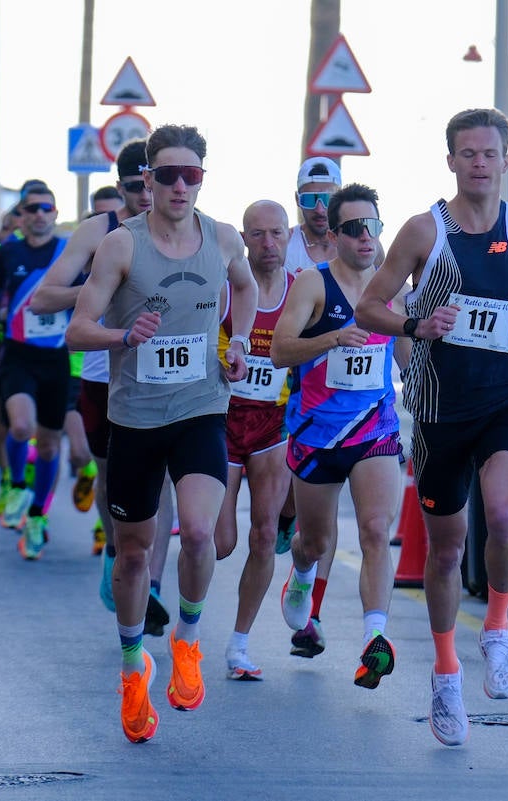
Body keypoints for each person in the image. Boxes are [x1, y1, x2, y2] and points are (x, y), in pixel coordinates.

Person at [354, 108, 508, 746]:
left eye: (489, 153)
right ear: (450, 161)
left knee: (503, 518)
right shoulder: (426, 231)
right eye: (467, 153)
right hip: (441, 410)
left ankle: (497, 631)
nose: (479, 163)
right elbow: (372, 303)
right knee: (448, 548)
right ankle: (446, 675)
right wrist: (417, 325)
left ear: (506, 160)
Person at [66, 123, 257, 743]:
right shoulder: (123, 246)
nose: (179, 185)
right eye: (166, 174)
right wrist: (124, 337)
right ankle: (131, 667)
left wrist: (239, 343)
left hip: (201, 408)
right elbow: (77, 329)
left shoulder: (224, 239)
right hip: (136, 418)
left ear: (203, 178)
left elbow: (247, 287)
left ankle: (189, 640)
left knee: (199, 531)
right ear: (147, 179)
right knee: (132, 553)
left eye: (190, 174)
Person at [28, 139, 175, 629]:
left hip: (168, 374)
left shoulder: (187, 226)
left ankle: (151, 585)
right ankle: (116, 550)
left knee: (166, 477)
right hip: (103, 378)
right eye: (136, 186)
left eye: (155, 181)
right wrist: (101, 286)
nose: (147, 194)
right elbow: (42, 300)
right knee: (113, 479)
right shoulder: (99, 231)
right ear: (121, 188)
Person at [272, 183, 406, 691]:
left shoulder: (390, 287)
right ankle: (301, 573)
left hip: (374, 428)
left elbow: (406, 355)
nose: (366, 237)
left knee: (375, 530)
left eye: (373, 226)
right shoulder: (313, 283)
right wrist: (332, 337)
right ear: (333, 233)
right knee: (316, 541)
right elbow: (281, 352)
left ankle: (375, 637)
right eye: (354, 228)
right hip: (317, 434)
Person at [215, 200, 294, 680]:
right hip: (222, 423)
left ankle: (239, 645)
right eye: (258, 235)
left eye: (277, 233)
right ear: (244, 240)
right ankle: (190, 621)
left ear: (289, 236)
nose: (268, 244)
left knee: (263, 535)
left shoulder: (302, 291)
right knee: (219, 542)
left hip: (273, 425)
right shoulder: (227, 291)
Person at [0, 182, 73, 559]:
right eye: (32, 209)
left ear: (54, 214)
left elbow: (90, 291)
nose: (39, 214)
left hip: (57, 357)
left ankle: (38, 515)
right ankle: (17, 484)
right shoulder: (7, 251)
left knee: (51, 444)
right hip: (18, 354)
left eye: (46, 208)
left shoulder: (68, 251)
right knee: (21, 426)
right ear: (20, 217)